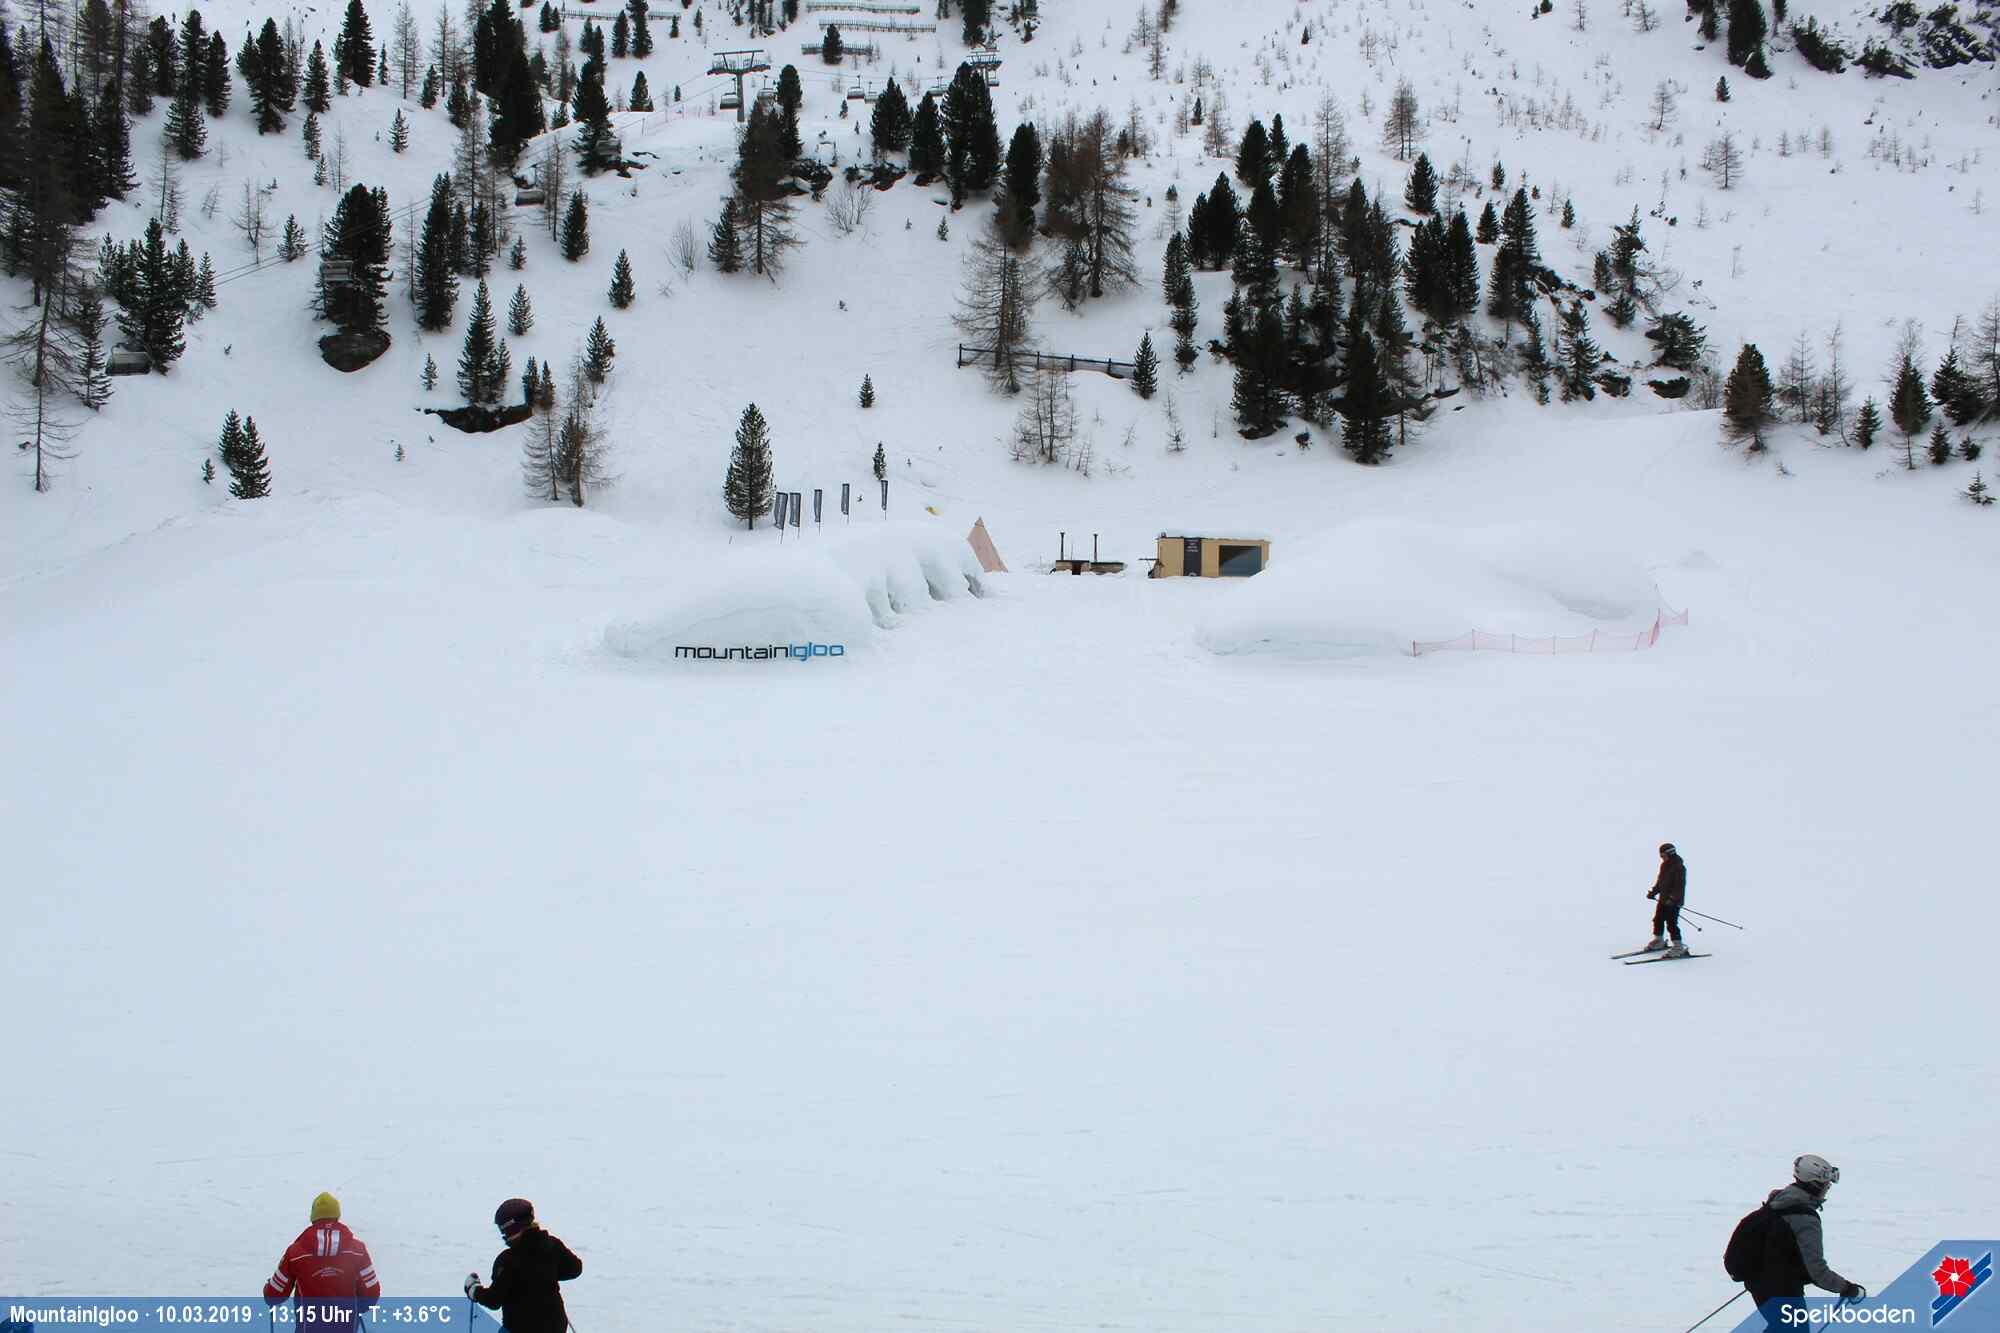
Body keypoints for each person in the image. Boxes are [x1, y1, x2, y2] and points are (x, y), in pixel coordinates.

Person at [1743, 1156, 1866, 1326]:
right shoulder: (1804, 1219)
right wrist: (1847, 1288)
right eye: (1826, 1184)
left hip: (1760, 1282)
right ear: (1815, 1184)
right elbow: (1817, 1270)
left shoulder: (1780, 1201)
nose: (1828, 1188)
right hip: (1781, 1287)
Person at [263, 1192, 381, 1329]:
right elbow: (372, 1292)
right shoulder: (358, 1250)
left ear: (313, 1217)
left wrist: (268, 1290)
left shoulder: (295, 1253)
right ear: (337, 1216)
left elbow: (274, 1294)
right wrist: (357, 1308)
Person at [466, 1199, 582, 1333]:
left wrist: (474, 1291)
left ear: (510, 1228)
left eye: (503, 1231)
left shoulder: (508, 1260)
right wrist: (545, 1274)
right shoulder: (552, 1244)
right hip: (556, 1324)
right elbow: (575, 1269)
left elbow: (494, 1300)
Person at [1644, 842, 1688, 957]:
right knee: (1658, 919)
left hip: (1674, 901)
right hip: (1663, 899)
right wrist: (1653, 892)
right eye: (1661, 856)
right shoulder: (1664, 865)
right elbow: (1661, 882)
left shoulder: (1679, 867)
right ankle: (1659, 941)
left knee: (1671, 923)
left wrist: (1673, 899)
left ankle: (1678, 947)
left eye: (1663, 855)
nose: (1662, 858)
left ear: (1670, 854)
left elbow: (1680, 886)